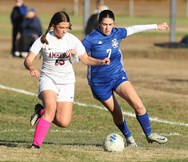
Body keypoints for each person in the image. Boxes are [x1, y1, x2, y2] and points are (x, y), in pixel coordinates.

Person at [82, 10, 169, 147]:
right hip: (99, 84)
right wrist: (70, 54)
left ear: (114, 24)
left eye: (110, 24)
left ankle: (150, 135)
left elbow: (134, 29)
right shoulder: (90, 39)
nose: (107, 28)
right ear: (99, 24)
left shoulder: (117, 33)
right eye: (104, 24)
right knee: (117, 113)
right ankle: (130, 139)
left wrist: (155, 26)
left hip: (117, 76)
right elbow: (80, 56)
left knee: (138, 104)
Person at [24, 11, 110, 149]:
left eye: (66, 28)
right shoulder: (44, 39)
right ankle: (36, 145)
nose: (64, 31)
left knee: (64, 122)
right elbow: (28, 59)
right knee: (51, 109)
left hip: (67, 82)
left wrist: (101, 62)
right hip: (48, 79)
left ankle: (41, 112)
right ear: (53, 25)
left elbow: (86, 59)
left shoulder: (72, 40)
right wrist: (32, 67)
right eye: (61, 27)